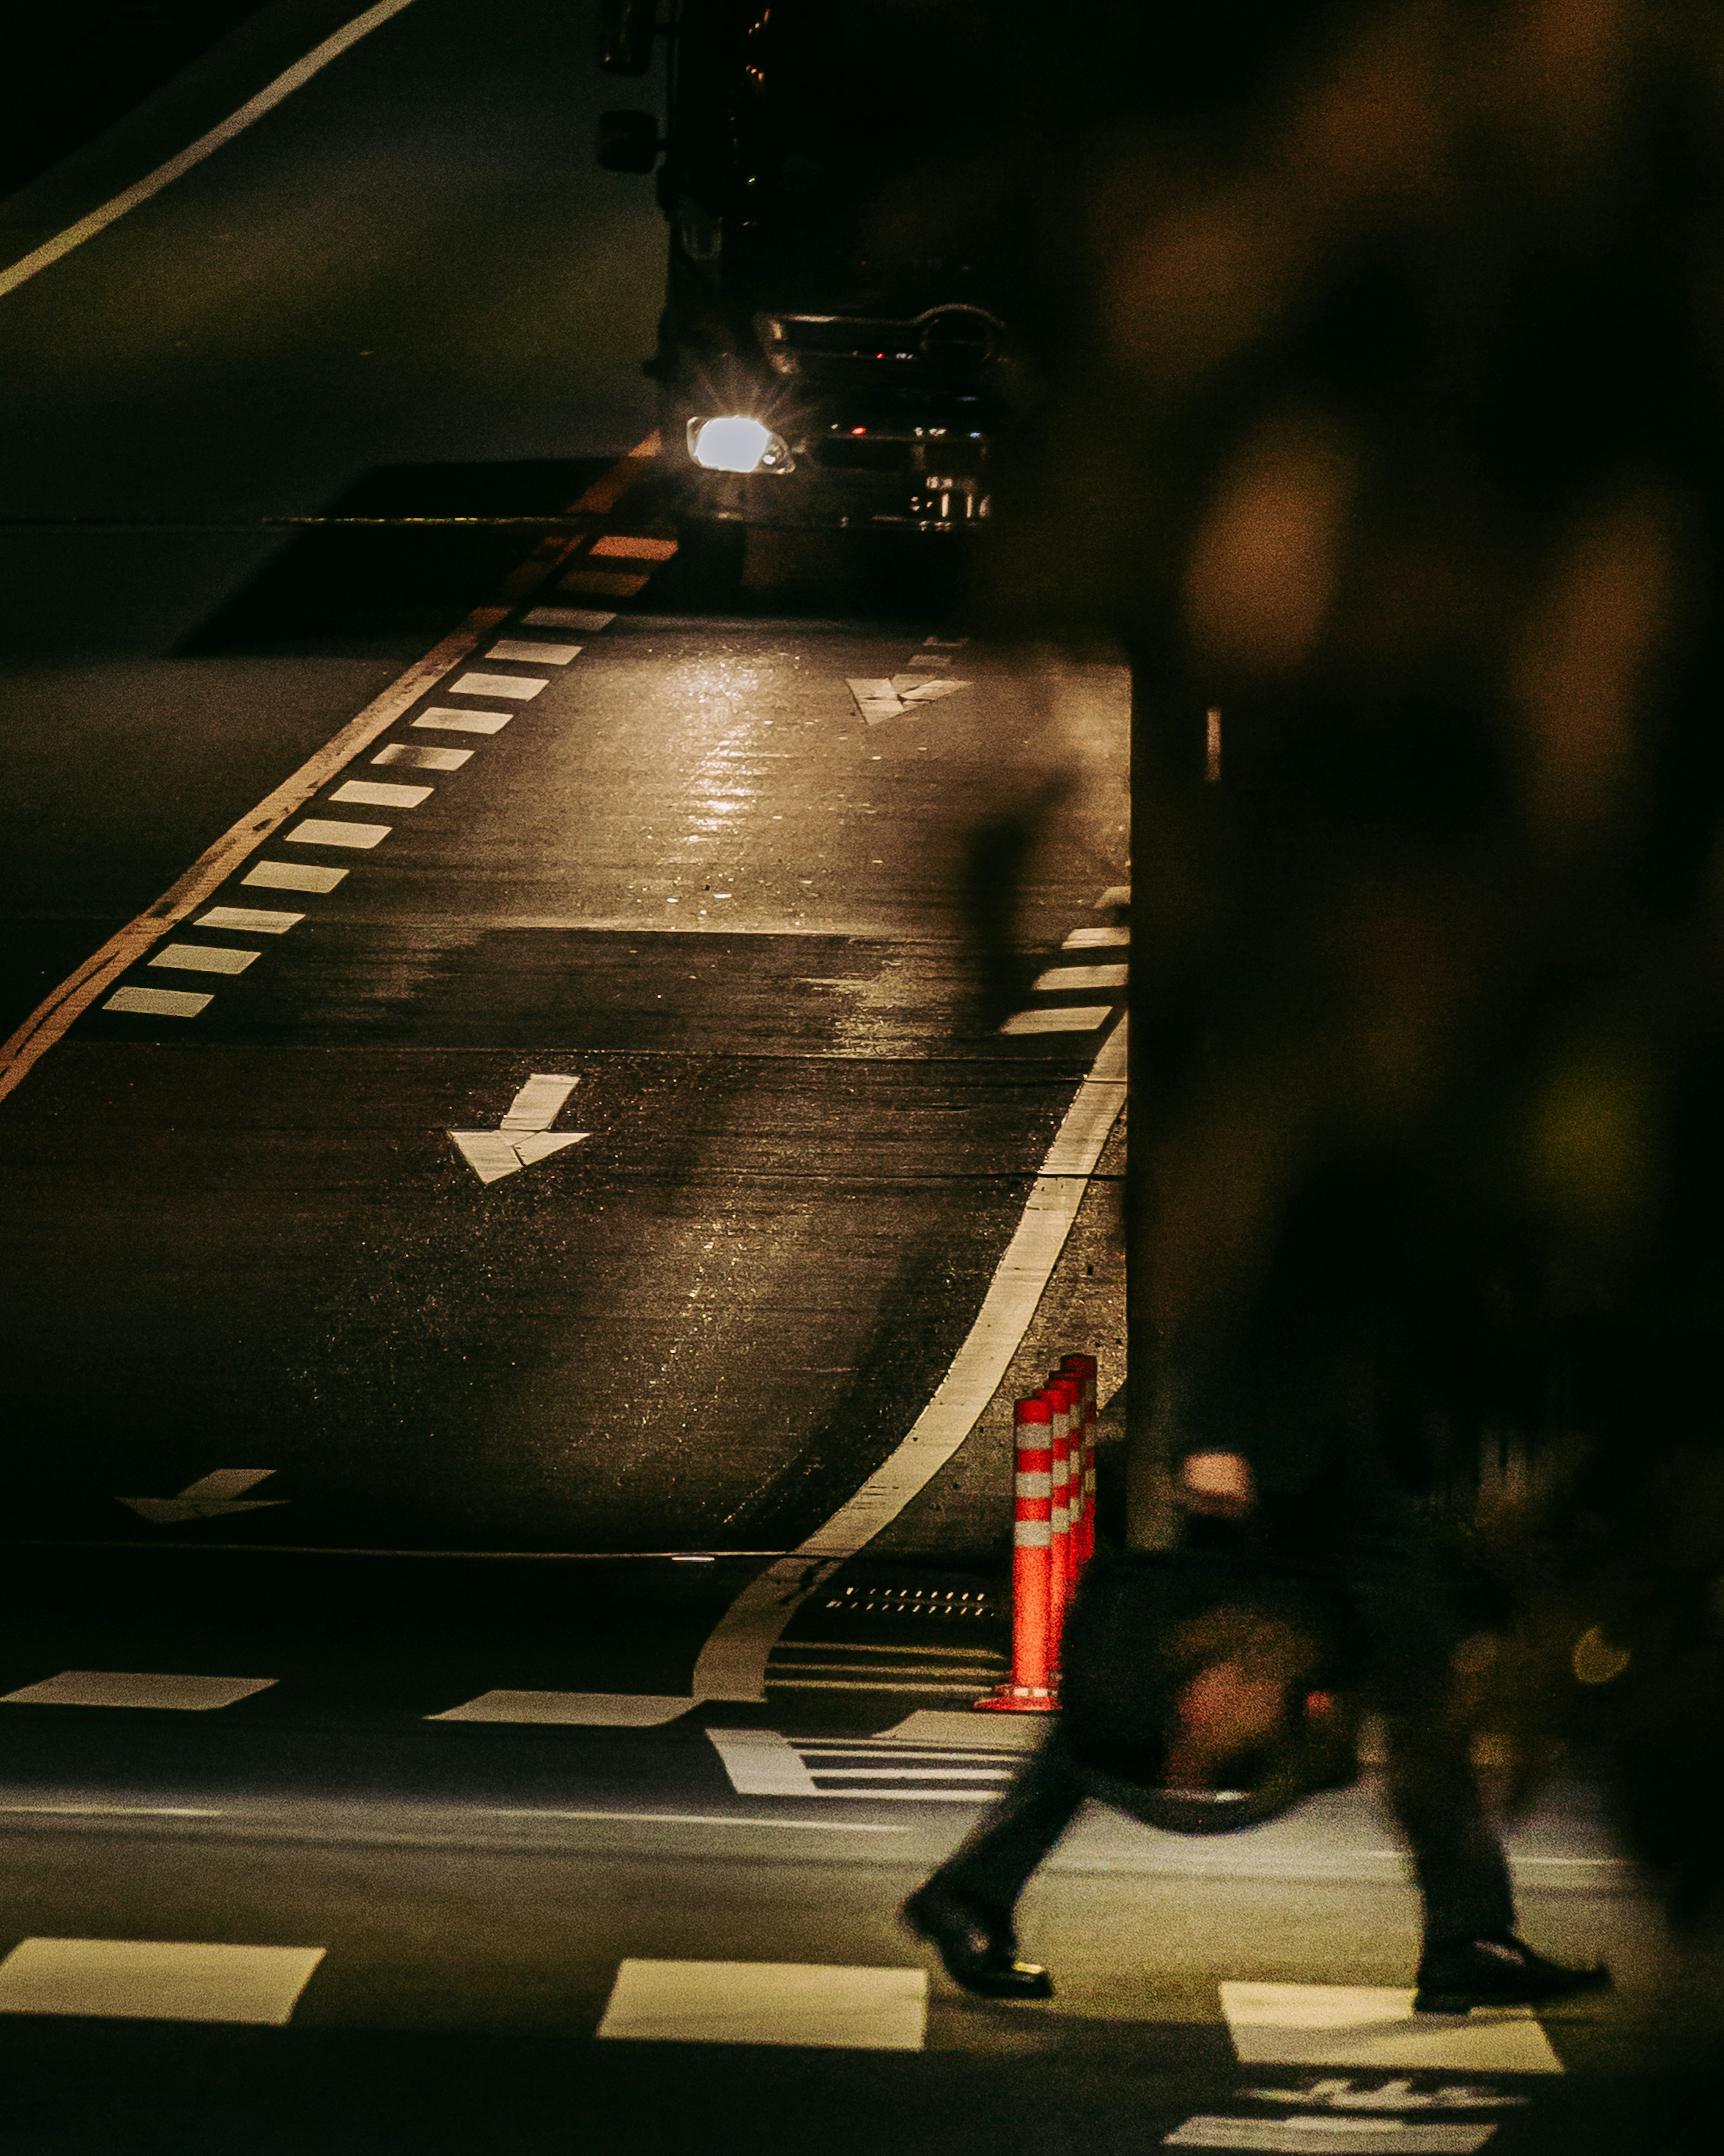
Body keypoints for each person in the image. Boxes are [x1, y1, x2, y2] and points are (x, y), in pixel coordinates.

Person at [903, 1442, 1612, 2012]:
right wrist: (1219, 1432)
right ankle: (1468, 1936)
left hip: (1336, 1497)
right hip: (1309, 1496)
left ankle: (1468, 1933)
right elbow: (1265, 1302)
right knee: (1154, 1703)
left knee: (1409, 1701)